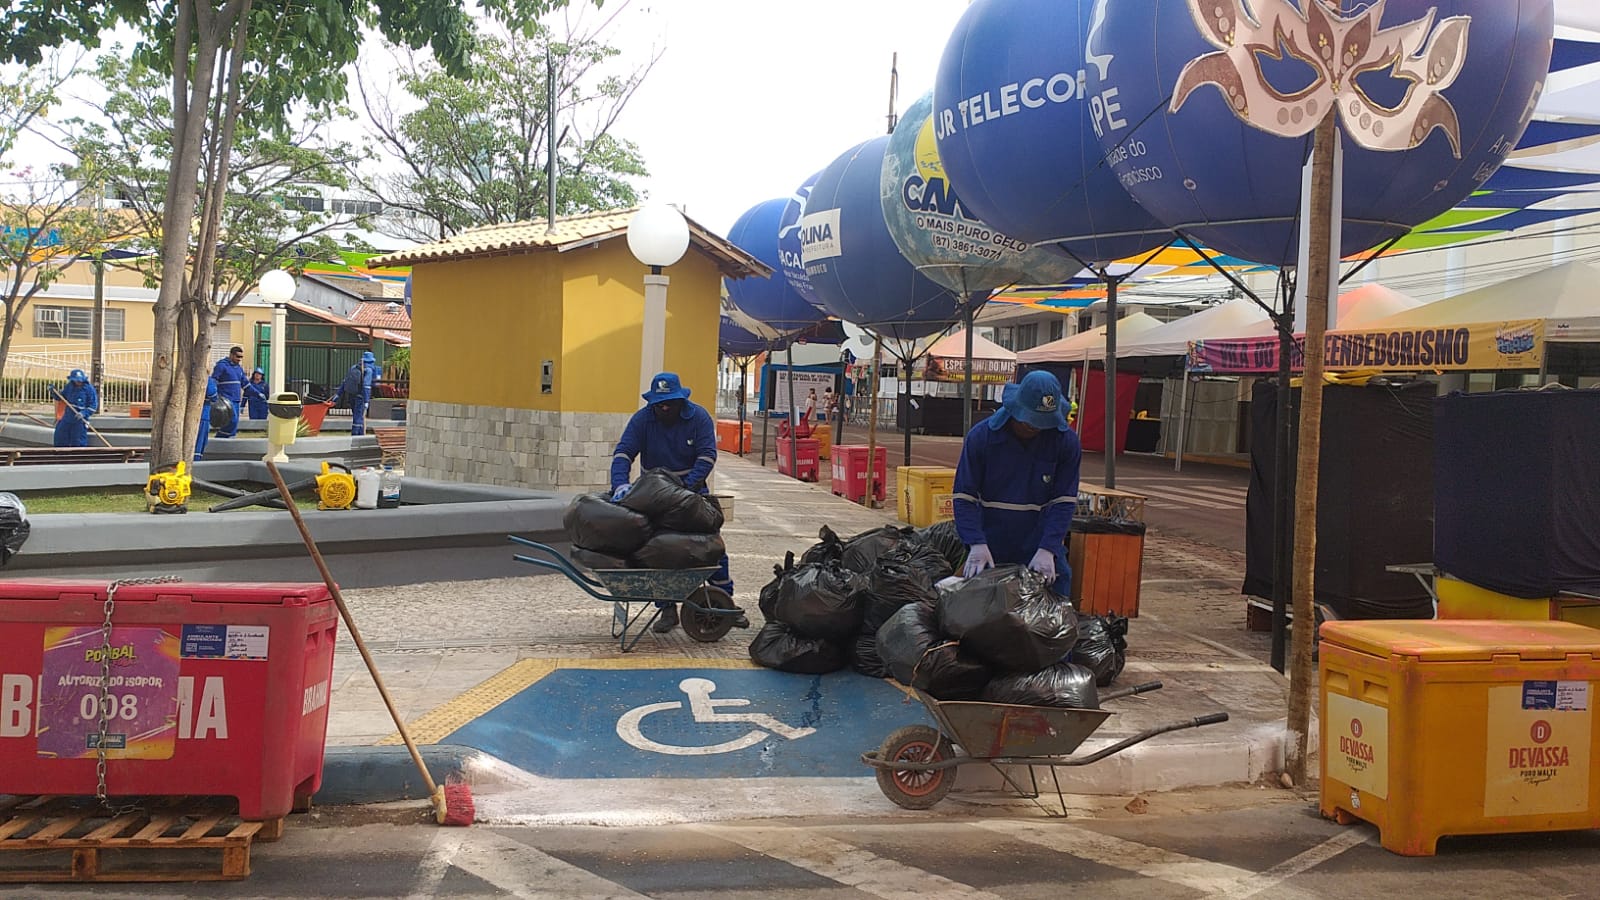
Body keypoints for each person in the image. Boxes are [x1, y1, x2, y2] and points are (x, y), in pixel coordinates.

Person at [611, 372, 742, 633]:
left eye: (670, 402)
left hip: (692, 492)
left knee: (710, 547)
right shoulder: (643, 419)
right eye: (660, 404)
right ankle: (667, 609)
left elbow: (707, 456)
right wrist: (620, 485)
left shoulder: (699, 417)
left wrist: (684, 489)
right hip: (655, 495)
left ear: (681, 399)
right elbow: (624, 452)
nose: (665, 408)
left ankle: (724, 603)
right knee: (658, 550)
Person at [951, 370, 1081, 595]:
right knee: (974, 607)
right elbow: (965, 496)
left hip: (1038, 541)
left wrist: (1049, 548)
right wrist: (975, 542)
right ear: (1015, 409)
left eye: (1043, 423)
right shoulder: (981, 438)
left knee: (1058, 598)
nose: (1036, 428)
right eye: (1031, 422)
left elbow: (1063, 501)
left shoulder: (1065, 442)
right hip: (990, 540)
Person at [52, 369, 99, 448]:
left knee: (78, 440)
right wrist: (54, 392)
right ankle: (61, 456)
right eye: (76, 381)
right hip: (68, 417)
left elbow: (93, 406)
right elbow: (61, 397)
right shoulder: (69, 386)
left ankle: (78, 457)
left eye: (80, 381)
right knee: (60, 436)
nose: (78, 382)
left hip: (80, 420)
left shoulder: (89, 389)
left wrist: (84, 413)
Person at [210, 345, 247, 438]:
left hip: (236, 400)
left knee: (234, 423)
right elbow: (214, 380)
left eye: (241, 357)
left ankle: (230, 444)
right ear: (231, 355)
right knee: (231, 421)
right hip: (226, 399)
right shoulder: (222, 366)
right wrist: (214, 395)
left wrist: (258, 394)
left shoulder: (239, 369)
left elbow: (246, 385)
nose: (239, 359)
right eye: (237, 356)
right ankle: (219, 440)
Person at [340, 350, 380, 436]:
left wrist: (338, 395)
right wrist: (366, 401)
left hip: (351, 395)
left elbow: (345, 381)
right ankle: (356, 435)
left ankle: (360, 434)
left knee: (357, 415)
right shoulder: (369, 370)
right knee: (359, 416)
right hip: (360, 396)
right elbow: (366, 386)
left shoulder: (354, 367)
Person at [195, 375, 219, 460]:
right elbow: (212, 394)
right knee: (200, 442)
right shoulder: (204, 377)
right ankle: (196, 464)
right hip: (203, 414)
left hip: (188, 414)